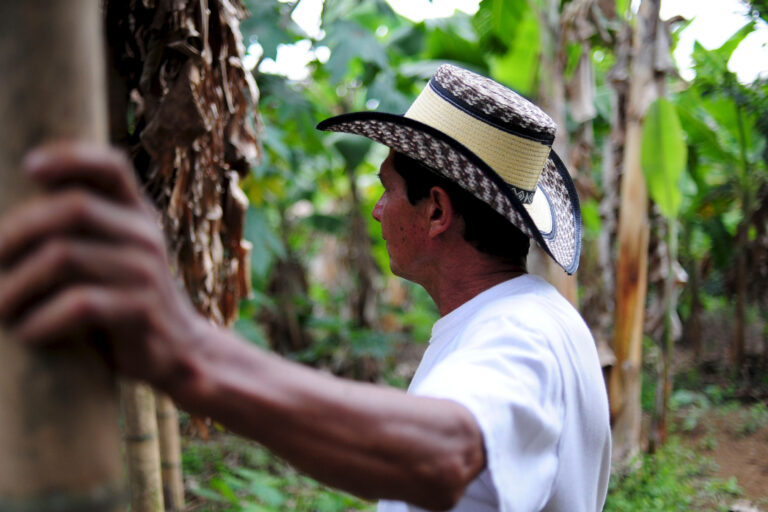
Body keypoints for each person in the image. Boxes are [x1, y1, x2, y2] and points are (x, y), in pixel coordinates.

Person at [0, 64, 610, 511]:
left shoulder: (516, 337)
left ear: (436, 212)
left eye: (388, 188)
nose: (376, 210)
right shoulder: (539, 315)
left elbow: (450, 454)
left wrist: (189, 353)